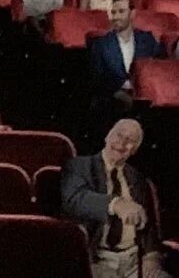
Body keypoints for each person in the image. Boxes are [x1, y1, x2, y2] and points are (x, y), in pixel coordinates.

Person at [63, 118, 160, 278]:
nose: (121, 143)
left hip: (134, 260)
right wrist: (116, 204)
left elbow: (149, 225)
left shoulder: (138, 178)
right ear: (107, 136)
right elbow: (75, 199)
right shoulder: (79, 166)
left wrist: (151, 256)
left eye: (130, 140)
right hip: (98, 260)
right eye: (118, 135)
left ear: (134, 149)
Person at [86, 0, 164, 115]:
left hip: (143, 99)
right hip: (112, 99)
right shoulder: (101, 44)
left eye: (121, 11)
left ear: (132, 14)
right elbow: (96, 79)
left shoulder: (148, 40)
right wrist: (117, 92)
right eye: (113, 12)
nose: (116, 16)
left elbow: (158, 70)